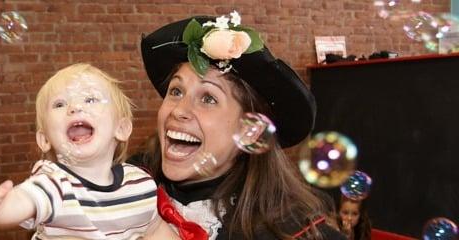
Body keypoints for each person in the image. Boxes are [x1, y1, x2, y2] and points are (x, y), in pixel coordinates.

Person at [136, 11, 347, 239]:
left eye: (208, 98)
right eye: (176, 91)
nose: (178, 110)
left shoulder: (293, 232)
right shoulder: (121, 194)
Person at [0, 63, 178, 240]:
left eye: (91, 100)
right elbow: (22, 200)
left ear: (122, 128)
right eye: (60, 104)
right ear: (44, 139)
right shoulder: (53, 183)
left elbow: (154, 228)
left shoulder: (140, 183)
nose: (75, 108)